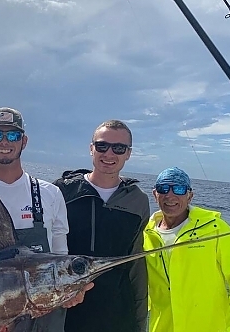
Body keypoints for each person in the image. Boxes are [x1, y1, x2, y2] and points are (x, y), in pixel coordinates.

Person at [0, 107, 92, 331]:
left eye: (12, 135)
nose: (5, 141)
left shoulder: (50, 194)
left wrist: (71, 291)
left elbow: (60, 261)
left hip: (45, 322)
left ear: (24, 141)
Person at [53, 119, 150, 332]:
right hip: (65, 313)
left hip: (117, 317)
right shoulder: (60, 191)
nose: (109, 154)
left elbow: (136, 265)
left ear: (128, 153)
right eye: (102, 146)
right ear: (91, 149)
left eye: (119, 148)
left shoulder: (138, 201)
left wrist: (141, 323)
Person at [144, 167, 230, 332]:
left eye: (179, 189)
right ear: (155, 194)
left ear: (190, 196)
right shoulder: (146, 235)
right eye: (163, 188)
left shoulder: (215, 228)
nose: (170, 195)